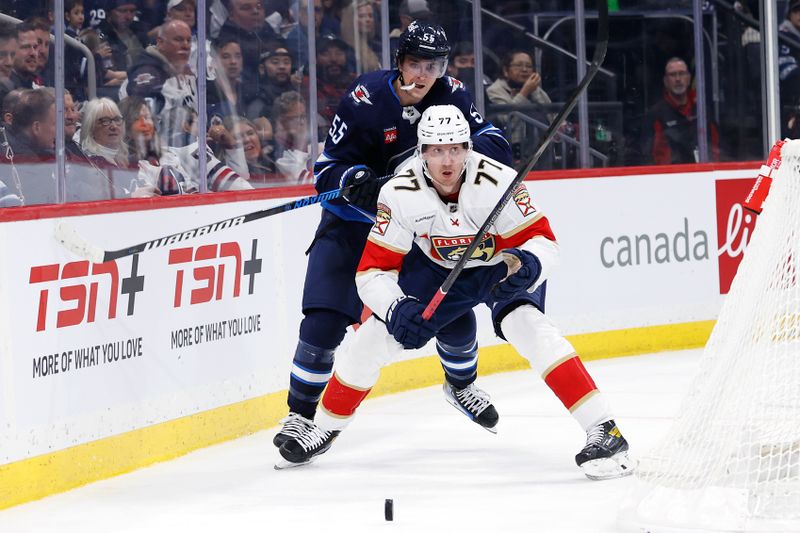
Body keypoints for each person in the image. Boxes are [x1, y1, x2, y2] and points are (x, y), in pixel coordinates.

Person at [277, 105, 633, 481]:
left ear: (468, 148)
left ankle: (605, 431)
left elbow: (545, 242)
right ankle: (326, 426)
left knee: (529, 327)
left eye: (456, 149)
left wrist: (527, 264)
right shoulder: (399, 192)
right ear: (421, 151)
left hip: (500, 267)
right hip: (435, 269)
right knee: (373, 338)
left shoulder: (500, 181)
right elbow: (373, 271)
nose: (447, 161)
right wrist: (396, 308)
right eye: (435, 150)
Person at [272, 21, 512, 453]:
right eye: (415, 63)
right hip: (353, 225)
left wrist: (474, 154)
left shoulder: (452, 94)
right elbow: (325, 171)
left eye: (433, 65)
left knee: (452, 312)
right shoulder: (364, 98)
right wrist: (352, 179)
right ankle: (300, 416)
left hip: (415, 229)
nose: (423, 75)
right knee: (322, 322)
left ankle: (461, 385)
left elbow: (493, 140)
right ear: (399, 61)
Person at [644, 57, 720, 165]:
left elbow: (716, 147)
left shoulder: (702, 110)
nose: (678, 79)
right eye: (673, 75)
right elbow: (649, 155)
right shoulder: (656, 114)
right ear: (666, 81)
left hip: (703, 173)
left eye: (682, 73)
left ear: (689, 79)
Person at [126, 19, 194, 138]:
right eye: (178, 39)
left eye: (188, 40)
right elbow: (145, 120)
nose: (185, 45)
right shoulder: (148, 73)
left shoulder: (182, 70)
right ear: (160, 42)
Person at [487, 49, 553, 164]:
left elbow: (552, 116)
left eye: (529, 66)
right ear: (506, 70)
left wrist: (534, 91)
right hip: (513, 147)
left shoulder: (536, 90)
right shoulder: (495, 90)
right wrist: (524, 93)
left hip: (541, 147)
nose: (524, 70)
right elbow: (505, 119)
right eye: (518, 65)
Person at [340, 0, 380, 74]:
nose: (368, 20)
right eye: (361, 16)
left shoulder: (377, 46)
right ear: (351, 20)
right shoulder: (347, 51)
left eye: (370, 16)